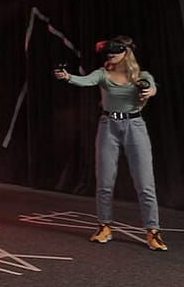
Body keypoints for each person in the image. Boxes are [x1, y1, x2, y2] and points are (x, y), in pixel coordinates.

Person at [54, 36, 165, 251]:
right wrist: (67, 77)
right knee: (104, 182)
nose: (111, 55)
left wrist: (149, 90)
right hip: (108, 126)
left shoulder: (141, 76)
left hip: (135, 126)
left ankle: (153, 230)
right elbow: (85, 81)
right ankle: (104, 226)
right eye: (108, 52)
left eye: (115, 51)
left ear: (126, 53)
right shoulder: (102, 74)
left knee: (145, 183)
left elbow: (151, 87)